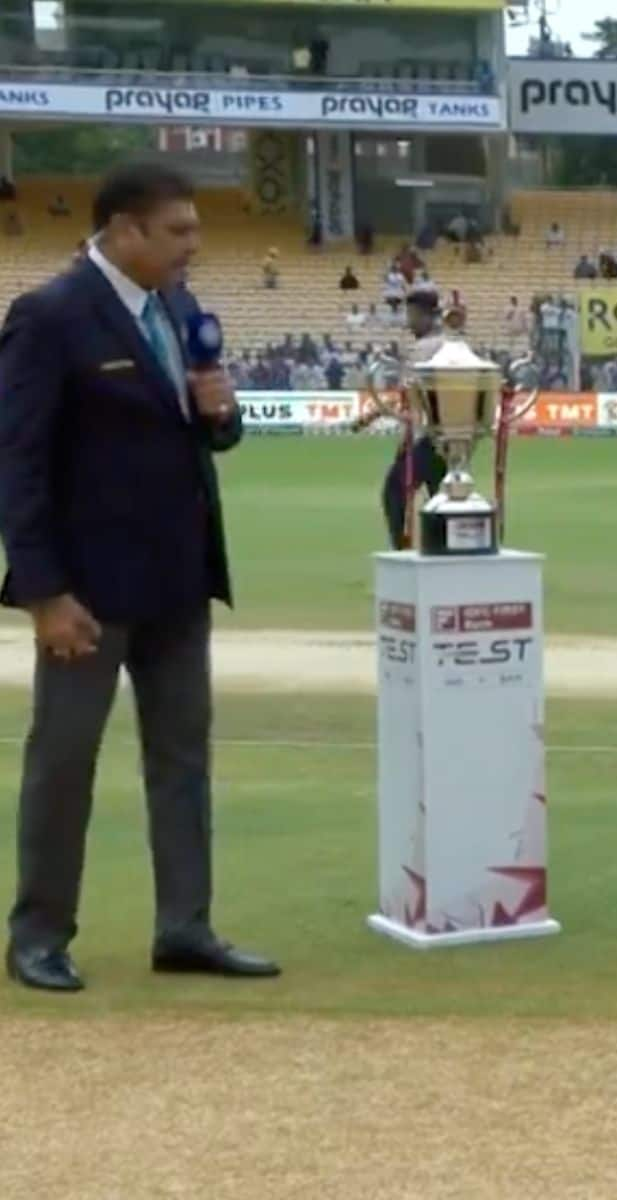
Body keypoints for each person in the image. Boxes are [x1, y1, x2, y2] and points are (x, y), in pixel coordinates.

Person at [0, 161, 277, 992]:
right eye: (178, 231)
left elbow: (195, 437)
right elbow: (17, 466)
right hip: (87, 593)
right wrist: (45, 593)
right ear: (123, 231)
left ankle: (184, 927)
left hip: (179, 583)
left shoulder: (177, 309)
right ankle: (39, 934)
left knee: (183, 759)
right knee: (65, 759)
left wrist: (222, 415)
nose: (194, 245)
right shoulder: (50, 317)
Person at [354, 292, 449, 549]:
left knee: (394, 492)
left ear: (426, 315)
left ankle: (402, 551)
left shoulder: (423, 349)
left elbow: (411, 395)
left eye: (413, 316)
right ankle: (444, 552)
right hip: (447, 436)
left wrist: (374, 415)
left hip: (425, 437)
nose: (409, 322)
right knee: (442, 499)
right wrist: (373, 415)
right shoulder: (449, 343)